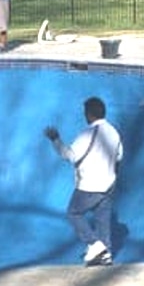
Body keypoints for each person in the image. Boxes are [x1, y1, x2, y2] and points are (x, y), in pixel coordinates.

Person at [44, 97, 123, 266]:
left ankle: (94, 244)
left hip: (90, 185)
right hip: (109, 185)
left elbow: (70, 156)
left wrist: (55, 140)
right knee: (102, 219)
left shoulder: (88, 133)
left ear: (89, 114)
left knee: (74, 213)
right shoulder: (114, 132)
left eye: (85, 113)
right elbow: (119, 157)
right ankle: (106, 254)